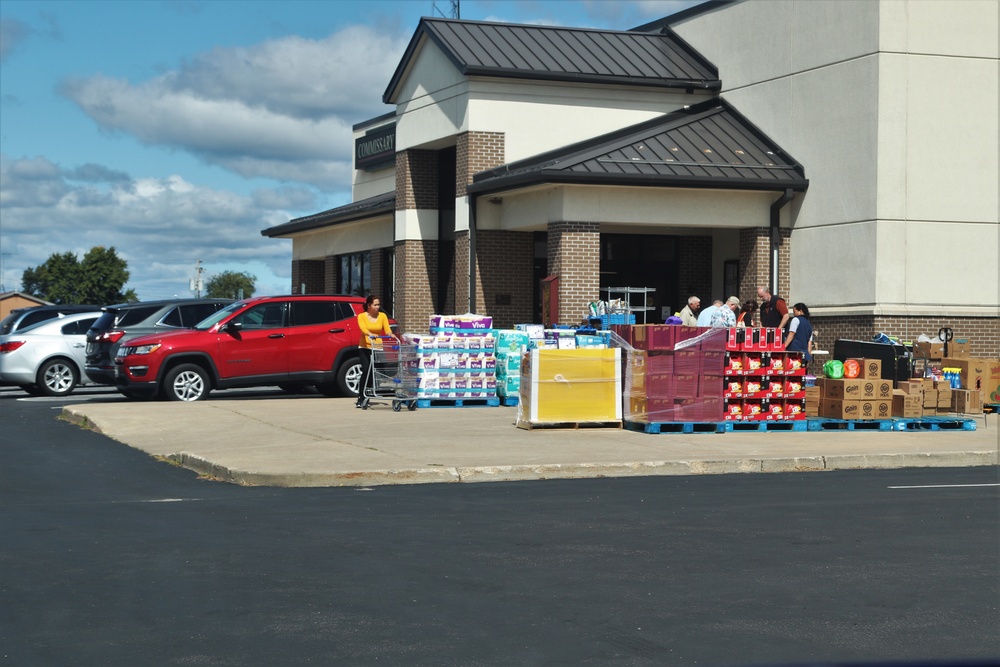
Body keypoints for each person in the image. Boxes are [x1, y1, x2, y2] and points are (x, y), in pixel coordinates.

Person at [356, 294, 393, 407]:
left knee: (375, 372)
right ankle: (361, 396)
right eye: (375, 304)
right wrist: (369, 334)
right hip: (365, 347)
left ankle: (370, 392)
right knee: (366, 370)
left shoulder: (382, 316)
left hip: (377, 347)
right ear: (369, 305)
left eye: (378, 304)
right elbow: (363, 328)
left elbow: (387, 329)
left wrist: (390, 334)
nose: (377, 307)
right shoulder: (362, 316)